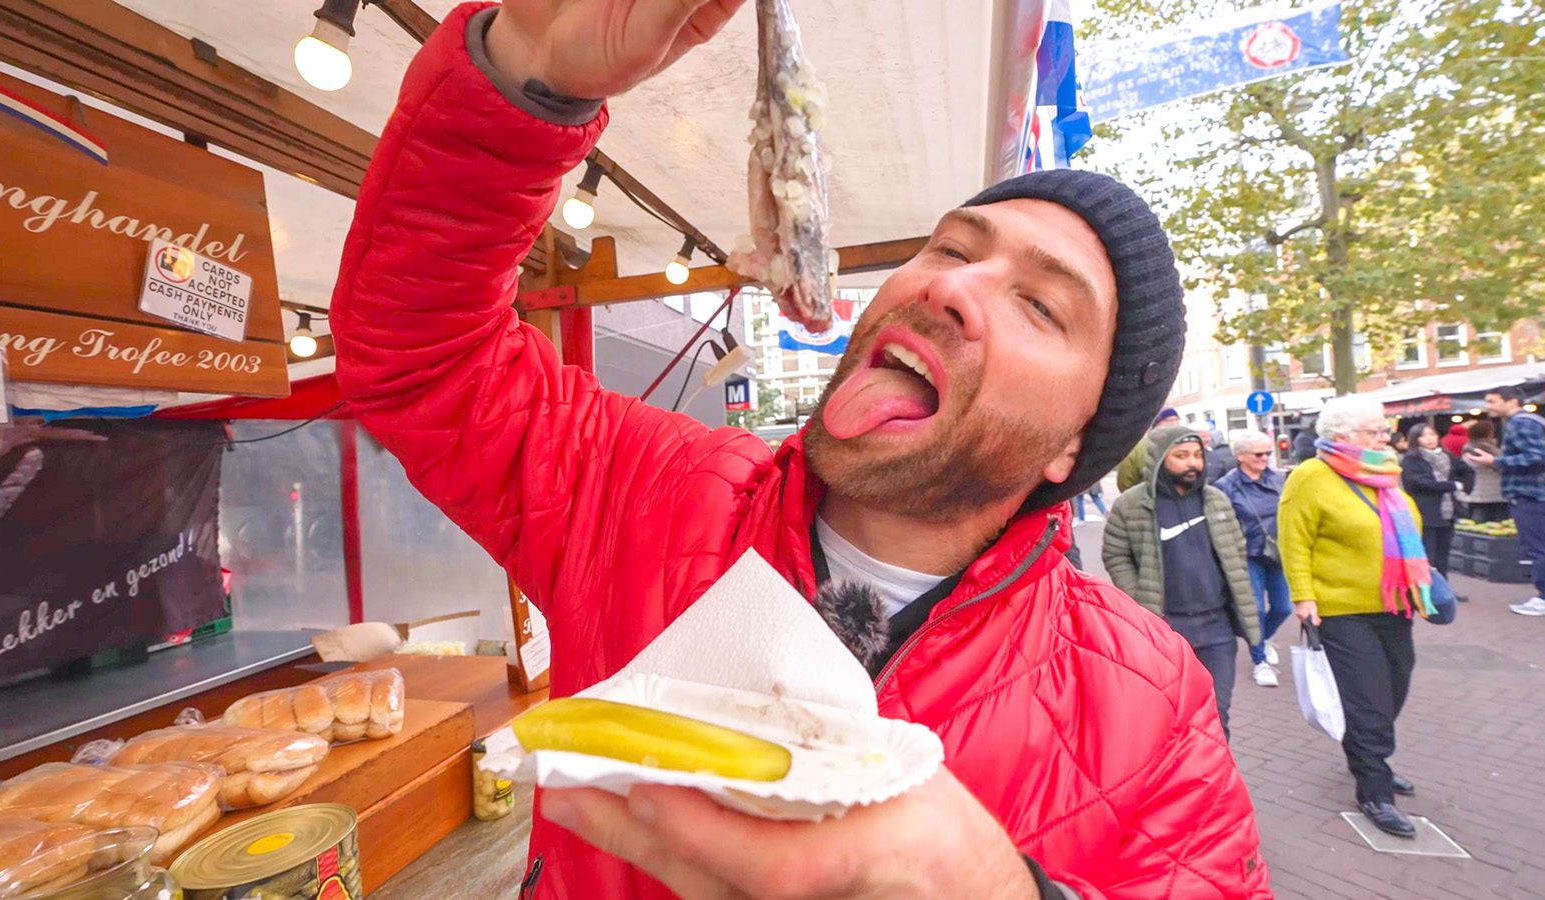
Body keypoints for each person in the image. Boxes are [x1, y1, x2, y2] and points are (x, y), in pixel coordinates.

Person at [329, 3, 1269, 897]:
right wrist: (525, 80)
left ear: (1073, 446)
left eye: (1038, 304)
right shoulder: (644, 490)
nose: (954, 288)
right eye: (951, 248)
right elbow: (423, 358)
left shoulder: (1151, 705)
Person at [1278, 394, 1427, 838]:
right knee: (1367, 697)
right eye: (1375, 431)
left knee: (1396, 682)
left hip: (1395, 601)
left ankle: (1367, 753)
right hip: (1340, 607)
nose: (1386, 437)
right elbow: (1294, 539)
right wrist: (1303, 597)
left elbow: (1408, 523)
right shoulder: (1311, 475)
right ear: (1342, 436)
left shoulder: (1382, 471)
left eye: (1383, 430)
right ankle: (1375, 788)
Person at [1102, 428, 1260, 738]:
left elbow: (1236, 550)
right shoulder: (1131, 505)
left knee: (1217, 712)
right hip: (1167, 628)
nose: (1193, 463)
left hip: (1217, 627)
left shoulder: (1216, 500)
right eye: (1182, 456)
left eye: (1198, 455)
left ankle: (1214, 783)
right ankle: (1179, 778)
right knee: (1175, 715)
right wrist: (1139, 601)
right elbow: (1116, 554)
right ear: (1160, 458)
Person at [1216, 431, 1290, 687]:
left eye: (1268, 454)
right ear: (1240, 456)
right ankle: (1260, 661)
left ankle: (1264, 637)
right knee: (1255, 610)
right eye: (1259, 454)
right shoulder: (1226, 486)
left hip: (1278, 553)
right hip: (1248, 555)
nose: (1265, 459)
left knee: (1284, 607)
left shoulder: (1278, 480)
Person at [1470, 387, 1545, 616]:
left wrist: (1496, 461)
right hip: (1534, 493)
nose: (1488, 406)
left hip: (1530, 494)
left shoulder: (1520, 422)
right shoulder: (1532, 420)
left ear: (1512, 401)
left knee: (1537, 548)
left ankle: (1543, 598)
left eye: (1492, 401)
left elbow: (1538, 456)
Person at [1400, 422, 1472, 580]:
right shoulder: (1411, 459)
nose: (1430, 439)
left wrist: (1464, 486)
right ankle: (1426, 587)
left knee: (1443, 553)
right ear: (1415, 438)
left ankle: (1443, 587)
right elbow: (1419, 483)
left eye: (1432, 434)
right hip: (1426, 511)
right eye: (1424, 435)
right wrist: (1451, 485)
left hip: (1448, 512)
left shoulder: (1447, 456)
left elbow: (1467, 470)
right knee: (1427, 553)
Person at [1113, 408, 1179, 492]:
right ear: (1157, 424)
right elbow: (1125, 481)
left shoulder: (1186, 445)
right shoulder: (1138, 448)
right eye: (1169, 420)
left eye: (1176, 420)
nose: (1174, 424)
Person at [1461, 419, 1508, 523]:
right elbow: (1501, 465)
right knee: (1499, 524)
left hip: (1476, 491)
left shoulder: (1468, 447)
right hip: (1495, 491)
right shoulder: (1488, 448)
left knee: (1478, 525)